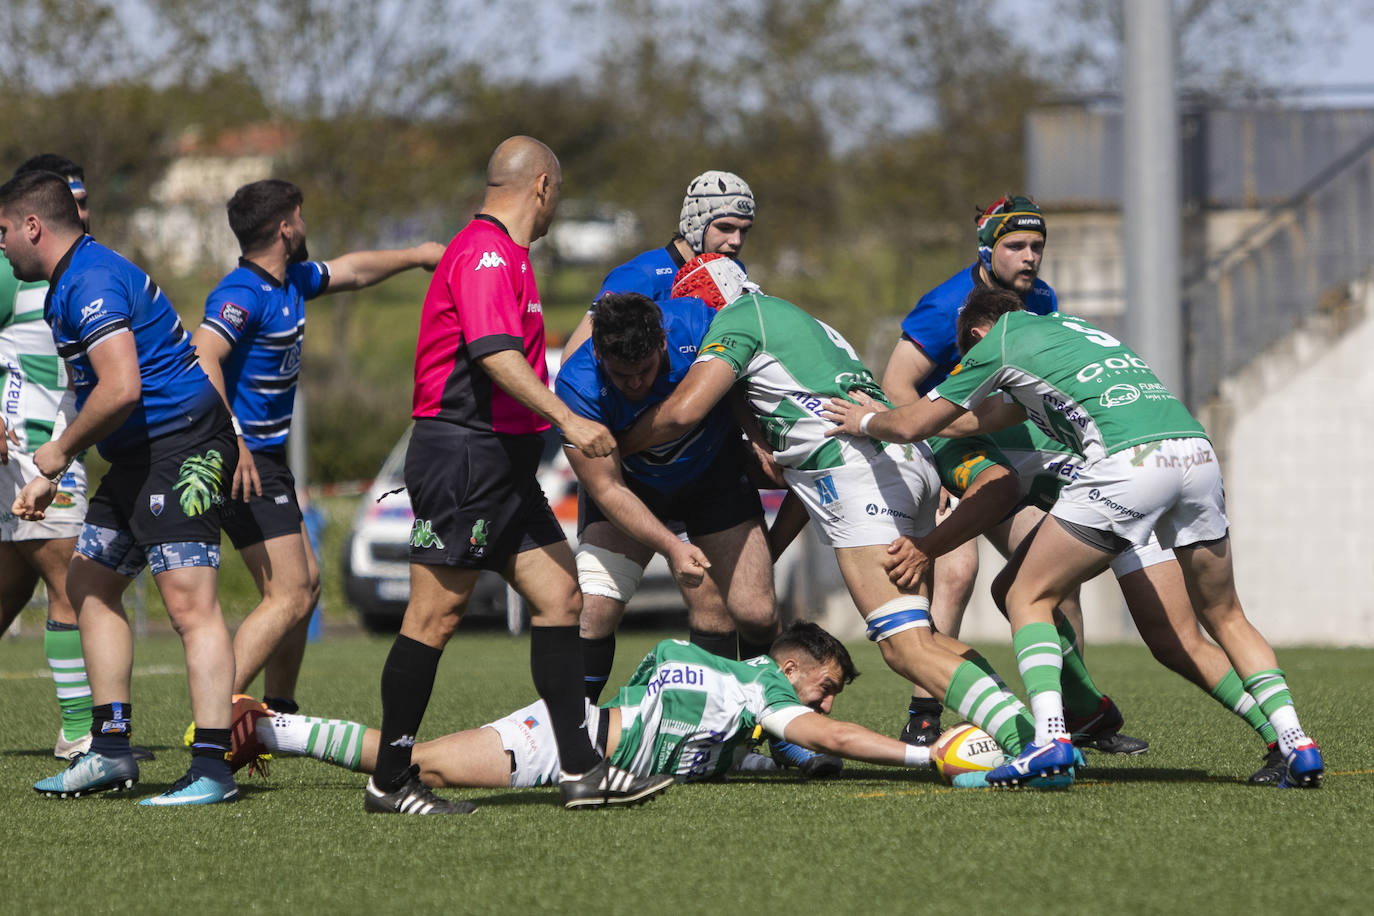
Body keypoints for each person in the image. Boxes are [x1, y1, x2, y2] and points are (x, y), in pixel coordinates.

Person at [823, 286, 1325, 789]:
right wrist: (917, 423)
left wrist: (866, 419)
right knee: (1223, 616)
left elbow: (914, 426)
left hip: (1126, 470)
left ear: (976, 333)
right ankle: (1295, 742)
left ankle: (1051, 740)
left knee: (1026, 595)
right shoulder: (1068, 332)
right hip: (1192, 454)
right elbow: (987, 416)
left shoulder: (994, 343)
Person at [615, 256, 1062, 783]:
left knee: (904, 648)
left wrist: (616, 447)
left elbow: (684, 411)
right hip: (897, 465)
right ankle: (1032, 734)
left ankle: (1028, 746)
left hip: (858, 476)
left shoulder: (740, 316)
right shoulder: (807, 326)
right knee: (925, 638)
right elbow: (802, 482)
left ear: (704, 300)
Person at [369, 136, 673, 815]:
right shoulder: (483, 253)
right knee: (435, 613)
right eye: (557, 190)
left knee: (562, 596)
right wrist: (568, 417)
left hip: (502, 462)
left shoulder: (510, 257)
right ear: (541, 186)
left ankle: (581, 768)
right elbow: (492, 354)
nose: (557, 202)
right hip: (464, 456)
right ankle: (389, 779)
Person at [2, 169, 241, 805]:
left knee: (190, 605)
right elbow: (90, 392)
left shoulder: (91, 280)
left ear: (33, 226)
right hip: (138, 455)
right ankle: (110, 751)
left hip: (184, 443)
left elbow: (121, 387)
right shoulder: (64, 284)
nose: (0, 246)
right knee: (89, 585)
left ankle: (213, 768)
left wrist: (54, 457)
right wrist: (59, 462)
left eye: (2, 231)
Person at [890, 423, 1286, 782]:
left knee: (1173, 640)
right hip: (1136, 485)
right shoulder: (971, 421)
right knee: (1176, 642)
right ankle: (1285, 739)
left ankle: (1069, 721)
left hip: (1123, 492)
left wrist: (929, 544)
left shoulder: (950, 446)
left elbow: (999, 486)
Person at [190, 179, 444, 716]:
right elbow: (202, 353)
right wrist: (232, 437)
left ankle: (278, 709)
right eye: (300, 218)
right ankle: (211, 718)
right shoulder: (242, 293)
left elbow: (353, 270)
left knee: (304, 586)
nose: (305, 227)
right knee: (292, 592)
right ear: (286, 227)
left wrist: (420, 255)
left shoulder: (293, 281)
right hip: (244, 462)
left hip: (266, 461)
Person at [236, 622, 964, 795]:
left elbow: (698, 740)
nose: (827, 700)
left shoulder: (720, 680)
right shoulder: (760, 690)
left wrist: (774, 758)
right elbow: (827, 731)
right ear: (793, 667)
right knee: (418, 763)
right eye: (826, 683)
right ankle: (270, 724)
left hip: (579, 732)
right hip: (561, 742)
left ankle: (273, 725)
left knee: (418, 761)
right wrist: (922, 755)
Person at [881, 194, 1094, 749]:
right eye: (1016, 246)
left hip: (1012, 443)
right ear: (987, 247)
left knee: (1052, 572)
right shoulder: (945, 304)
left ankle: (1077, 715)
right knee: (957, 573)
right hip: (949, 447)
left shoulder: (1040, 297)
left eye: (1037, 247)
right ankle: (925, 713)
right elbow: (897, 387)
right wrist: (935, 457)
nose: (1029, 257)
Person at [1, 154, 95, 761]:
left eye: (86, 201)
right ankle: (82, 734)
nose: (83, 212)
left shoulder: (88, 273)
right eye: (73, 200)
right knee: (77, 588)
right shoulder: (12, 272)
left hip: (55, 453)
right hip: (32, 456)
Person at [562, 170, 755, 354]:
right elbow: (574, 355)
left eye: (744, 230)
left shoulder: (734, 271)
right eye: (725, 227)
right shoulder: (641, 275)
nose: (736, 241)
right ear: (695, 224)